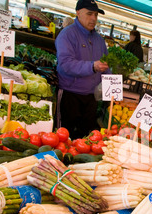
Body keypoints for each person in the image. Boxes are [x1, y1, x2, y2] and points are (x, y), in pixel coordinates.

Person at [55, 0, 110, 140]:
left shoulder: (99, 40)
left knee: (85, 139)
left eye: (96, 15)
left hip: (91, 98)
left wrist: (111, 85)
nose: (93, 18)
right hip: (70, 95)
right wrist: (92, 66)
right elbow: (66, 64)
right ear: (78, 13)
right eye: (89, 13)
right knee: (64, 137)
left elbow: (106, 66)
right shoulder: (67, 35)